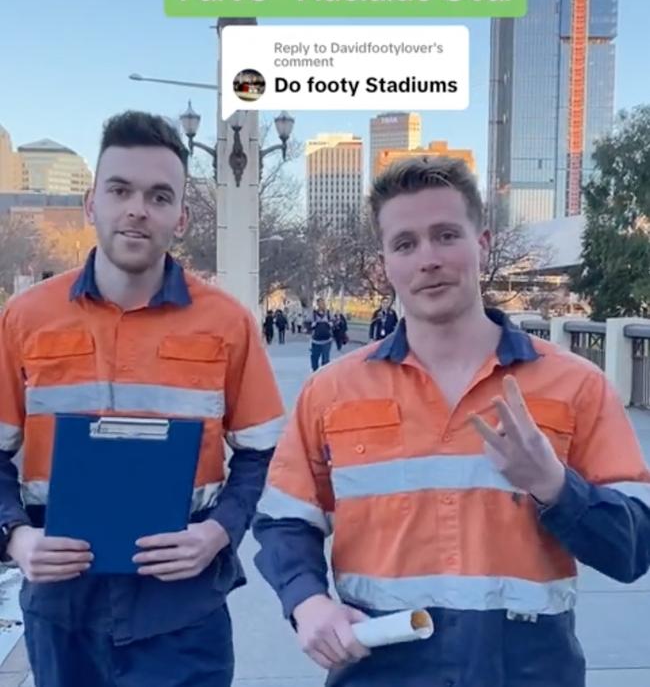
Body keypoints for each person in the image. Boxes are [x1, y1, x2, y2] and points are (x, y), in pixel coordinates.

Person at [253, 155, 650, 687]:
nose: (428, 259)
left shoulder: (576, 384)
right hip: (379, 670)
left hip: (529, 672)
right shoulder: (331, 391)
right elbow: (284, 520)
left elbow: (633, 550)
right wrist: (307, 603)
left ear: (482, 243)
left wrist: (555, 487)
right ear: (383, 264)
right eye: (405, 243)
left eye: (446, 235)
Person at [0, 111, 285, 687]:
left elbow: (265, 455)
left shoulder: (228, 323)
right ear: (91, 204)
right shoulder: (22, 319)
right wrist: (15, 536)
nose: (137, 208)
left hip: (184, 613)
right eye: (120, 189)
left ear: (180, 218)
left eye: (159, 196)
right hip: (62, 612)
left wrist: (219, 532)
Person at [309, 298, 332, 372]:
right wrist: (313, 324)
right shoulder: (313, 314)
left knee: (325, 360)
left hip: (327, 340)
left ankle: (323, 375)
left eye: (323, 303)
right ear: (317, 304)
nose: (321, 305)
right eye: (319, 303)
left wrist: (329, 323)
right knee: (314, 358)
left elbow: (334, 322)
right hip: (316, 340)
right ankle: (315, 371)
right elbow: (308, 324)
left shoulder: (328, 313)